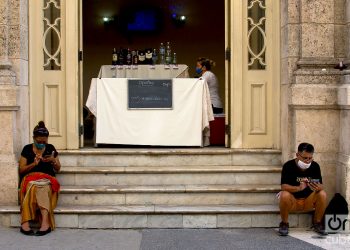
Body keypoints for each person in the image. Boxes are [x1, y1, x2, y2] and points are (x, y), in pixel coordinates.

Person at [18, 121, 61, 236]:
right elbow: (21, 170)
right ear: (33, 138)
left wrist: (53, 161)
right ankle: (41, 223)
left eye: (44, 141)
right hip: (29, 178)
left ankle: (29, 224)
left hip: (47, 179)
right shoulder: (27, 149)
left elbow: (58, 169)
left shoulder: (51, 148)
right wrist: (33, 164)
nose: (42, 143)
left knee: (41, 187)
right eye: (39, 141)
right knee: (33, 186)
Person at [278, 142, 327, 236]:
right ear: (297, 155)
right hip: (293, 201)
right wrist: (299, 188)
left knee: (322, 193)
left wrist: (318, 187)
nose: (308, 161)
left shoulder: (315, 166)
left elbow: (322, 185)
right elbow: (283, 187)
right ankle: (284, 223)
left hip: (309, 200)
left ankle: (317, 223)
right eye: (305, 158)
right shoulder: (288, 166)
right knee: (284, 194)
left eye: (310, 158)